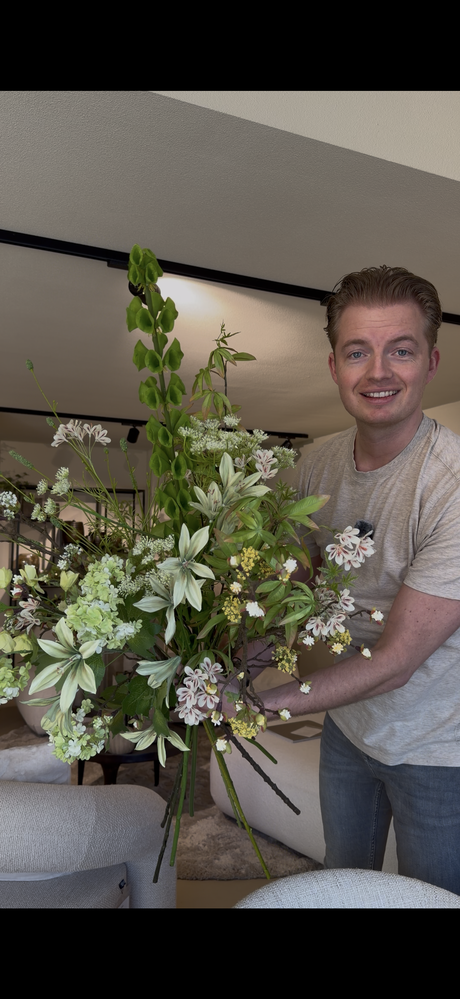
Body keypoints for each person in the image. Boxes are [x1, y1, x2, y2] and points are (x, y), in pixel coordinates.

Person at [258, 265, 460, 894]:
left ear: (430, 360)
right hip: (348, 726)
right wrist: (222, 662)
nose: (378, 372)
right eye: (358, 351)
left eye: (400, 350)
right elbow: (283, 598)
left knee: (431, 900)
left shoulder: (448, 483)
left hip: (437, 746)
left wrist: (257, 705)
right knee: (343, 886)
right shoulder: (311, 467)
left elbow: (398, 659)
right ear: (333, 365)